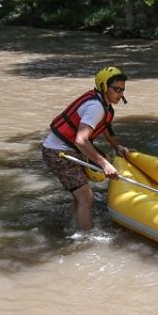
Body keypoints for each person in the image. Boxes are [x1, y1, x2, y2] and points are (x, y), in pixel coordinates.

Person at [41, 66, 130, 231]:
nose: (121, 94)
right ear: (104, 87)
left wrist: (117, 147)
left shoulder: (103, 103)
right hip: (58, 153)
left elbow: (103, 127)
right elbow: (81, 140)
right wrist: (105, 164)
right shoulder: (95, 107)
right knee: (86, 197)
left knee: (80, 195)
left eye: (122, 90)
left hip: (67, 149)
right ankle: (85, 239)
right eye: (117, 89)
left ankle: (72, 226)